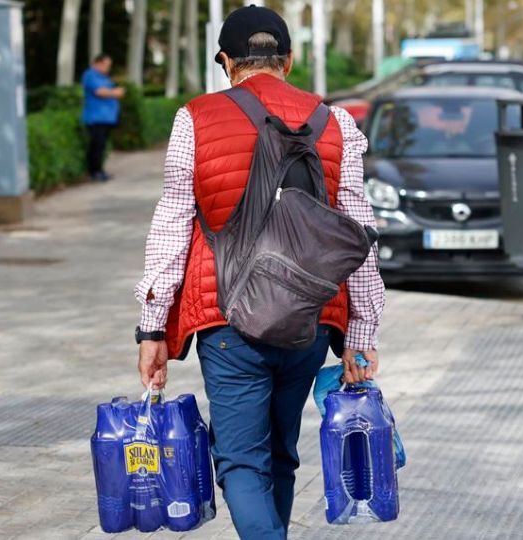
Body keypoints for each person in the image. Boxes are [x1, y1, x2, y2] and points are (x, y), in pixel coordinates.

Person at [134, 6, 385, 539]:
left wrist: (153, 326)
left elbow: (172, 225)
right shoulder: (335, 121)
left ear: (226, 62)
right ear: (288, 61)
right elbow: (361, 233)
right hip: (311, 320)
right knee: (280, 457)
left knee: (242, 465)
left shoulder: (194, 118)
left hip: (226, 319)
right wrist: (360, 337)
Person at [81, 53, 124, 181]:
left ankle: (100, 170)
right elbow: (99, 92)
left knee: (102, 146)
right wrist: (115, 92)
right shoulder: (90, 75)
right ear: (97, 63)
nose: (108, 68)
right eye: (106, 65)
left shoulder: (103, 77)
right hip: (96, 118)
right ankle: (94, 172)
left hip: (106, 118)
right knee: (96, 145)